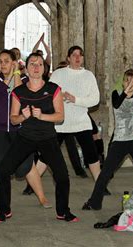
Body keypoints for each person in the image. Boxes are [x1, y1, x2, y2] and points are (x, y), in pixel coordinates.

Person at [0, 53, 77, 223]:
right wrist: (24, 117)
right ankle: (4, 211)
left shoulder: (54, 89)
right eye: (32, 64)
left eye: (40, 64)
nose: (36, 67)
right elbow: (13, 118)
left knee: (62, 176)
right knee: (3, 171)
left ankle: (63, 212)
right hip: (25, 137)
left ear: (44, 68)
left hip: (48, 137)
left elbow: (60, 117)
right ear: (26, 67)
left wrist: (42, 117)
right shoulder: (19, 91)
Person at [0, 50, 50, 209]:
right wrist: (9, 77)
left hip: (19, 129)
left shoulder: (25, 79)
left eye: (7, 61)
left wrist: (16, 74)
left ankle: (42, 197)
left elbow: (19, 94)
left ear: (14, 63)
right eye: (0, 61)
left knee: (27, 164)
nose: (2, 64)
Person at [82, 69, 133, 210]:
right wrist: (127, 90)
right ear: (123, 82)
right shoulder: (117, 94)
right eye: (127, 80)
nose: (129, 83)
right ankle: (94, 202)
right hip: (119, 141)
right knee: (105, 173)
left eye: (132, 80)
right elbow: (116, 105)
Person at [49, 46, 102, 182]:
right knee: (47, 153)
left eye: (80, 55)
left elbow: (95, 99)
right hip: (61, 122)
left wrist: (76, 100)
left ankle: (100, 184)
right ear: (68, 58)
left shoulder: (88, 75)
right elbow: (49, 93)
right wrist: (59, 96)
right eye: (74, 55)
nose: (78, 58)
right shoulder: (58, 74)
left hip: (81, 122)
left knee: (92, 154)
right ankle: (31, 185)